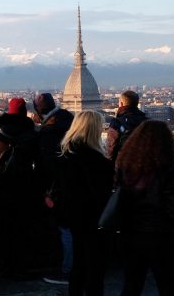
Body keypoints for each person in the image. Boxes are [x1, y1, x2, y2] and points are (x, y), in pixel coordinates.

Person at [117, 120, 174, 295]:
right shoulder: (165, 166)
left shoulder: (124, 165)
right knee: (169, 284)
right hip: (159, 232)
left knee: (132, 283)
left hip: (131, 231)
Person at [54, 111, 114, 295]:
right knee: (95, 268)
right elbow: (102, 194)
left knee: (79, 265)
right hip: (94, 220)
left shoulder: (64, 155)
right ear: (94, 130)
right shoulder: (98, 162)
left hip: (72, 217)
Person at [0, 98, 41, 280]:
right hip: (26, 185)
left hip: (4, 185)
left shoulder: (0, 134)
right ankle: (23, 266)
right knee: (24, 229)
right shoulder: (32, 135)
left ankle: (7, 267)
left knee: (5, 229)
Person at [32, 92, 75, 285]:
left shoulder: (48, 133)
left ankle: (68, 270)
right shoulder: (70, 121)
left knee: (64, 229)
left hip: (58, 188)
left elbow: (47, 165)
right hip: (73, 183)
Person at [107, 91, 148, 163]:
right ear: (137, 103)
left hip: (123, 165)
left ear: (121, 104)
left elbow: (111, 149)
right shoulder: (148, 122)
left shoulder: (116, 123)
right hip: (144, 165)